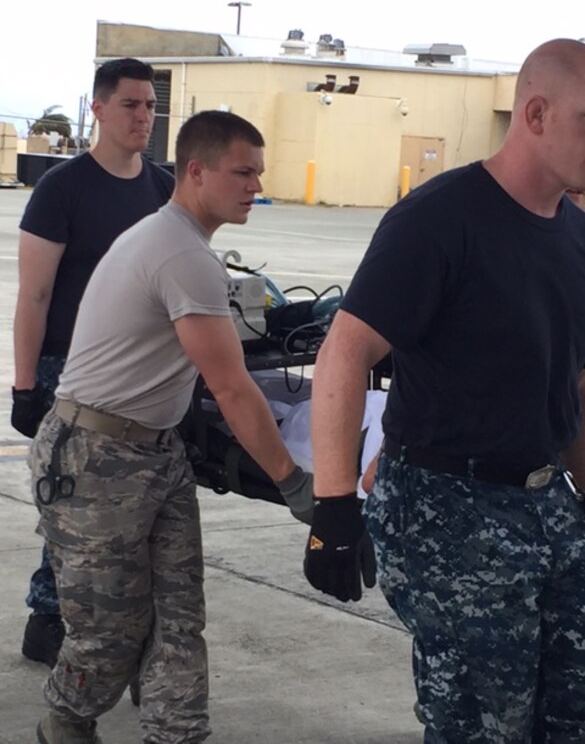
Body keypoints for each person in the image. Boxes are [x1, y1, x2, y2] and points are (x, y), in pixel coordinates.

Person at [305, 38, 585, 743]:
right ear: (536, 113)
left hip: (545, 504)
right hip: (445, 512)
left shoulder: (574, 235)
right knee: (484, 725)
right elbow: (344, 353)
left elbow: (572, 385)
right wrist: (333, 511)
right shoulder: (439, 219)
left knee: (566, 713)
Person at [30, 110, 313, 744]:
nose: (254, 186)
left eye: (259, 174)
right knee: (109, 632)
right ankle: (65, 723)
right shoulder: (179, 252)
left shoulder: (178, 243)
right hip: (95, 462)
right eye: (242, 172)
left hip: (155, 454)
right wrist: (294, 483)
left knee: (179, 621)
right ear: (195, 170)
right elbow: (232, 386)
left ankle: (176, 734)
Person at [12, 57, 175, 670]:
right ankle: (48, 618)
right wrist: (26, 385)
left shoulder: (160, 189)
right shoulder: (64, 188)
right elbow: (34, 294)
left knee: (127, 514)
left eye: (150, 106)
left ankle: (118, 623)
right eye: (130, 105)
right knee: (71, 509)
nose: (143, 117)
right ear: (99, 109)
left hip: (141, 378)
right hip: (69, 373)